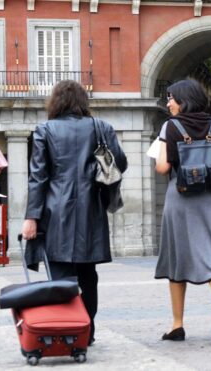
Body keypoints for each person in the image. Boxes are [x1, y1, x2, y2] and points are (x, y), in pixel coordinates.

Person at [21, 80, 127, 346]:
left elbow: (38, 178)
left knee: (60, 275)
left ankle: (67, 331)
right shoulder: (101, 127)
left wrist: (31, 217)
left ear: (56, 102)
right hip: (91, 209)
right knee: (88, 275)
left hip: (55, 212)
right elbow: (120, 163)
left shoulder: (45, 129)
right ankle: (87, 331)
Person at [154, 79, 211, 345]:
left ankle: (177, 324)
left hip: (181, 199)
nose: (168, 103)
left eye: (171, 98)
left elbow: (163, 167)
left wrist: (162, 148)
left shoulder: (170, 126)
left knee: (177, 257)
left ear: (183, 100)